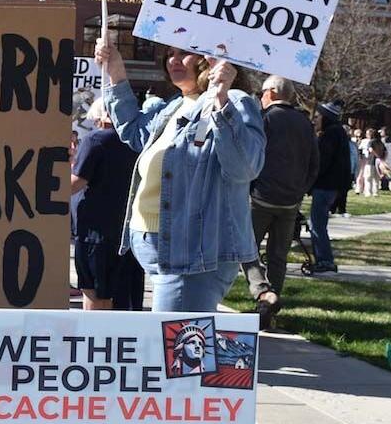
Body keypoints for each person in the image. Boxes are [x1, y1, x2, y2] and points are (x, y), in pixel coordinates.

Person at [94, 39, 264, 313]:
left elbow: (245, 167)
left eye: (184, 53)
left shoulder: (234, 101)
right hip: (164, 250)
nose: (173, 60)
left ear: (211, 59)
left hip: (193, 256)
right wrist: (115, 69)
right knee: (173, 346)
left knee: (174, 350)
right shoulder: (177, 104)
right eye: (169, 54)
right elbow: (136, 133)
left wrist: (221, 99)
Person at [239, 76, 319, 329]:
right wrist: (300, 190)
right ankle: (268, 314)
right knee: (278, 256)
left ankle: (262, 292)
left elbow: (252, 155)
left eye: (262, 92)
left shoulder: (265, 119)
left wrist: (250, 187)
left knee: (245, 248)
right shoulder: (306, 123)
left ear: (271, 93)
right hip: (290, 201)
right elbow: (314, 163)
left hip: (261, 197)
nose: (260, 97)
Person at [70, 99, 143, 311]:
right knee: (125, 296)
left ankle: (95, 340)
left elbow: (75, 183)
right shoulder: (138, 142)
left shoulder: (95, 140)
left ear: (101, 115)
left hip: (95, 232)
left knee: (94, 292)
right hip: (128, 231)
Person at [309, 102, 353, 273]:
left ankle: (325, 260)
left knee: (317, 224)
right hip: (333, 186)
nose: (316, 119)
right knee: (318, 223)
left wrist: (310, 179)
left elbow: (322, 162)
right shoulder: (339, 133)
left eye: (318, 116)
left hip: (325, 186)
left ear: (326, 118)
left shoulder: (330, 135)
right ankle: (323, 258)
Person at [359, 129, 382, 197]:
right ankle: (376, 192)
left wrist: (375, 155)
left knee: (368, 178)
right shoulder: (380, 142)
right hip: (378, 163)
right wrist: (381, 158)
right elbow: (386, 152)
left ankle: (368, 192)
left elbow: (370, 150)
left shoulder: (370, 142)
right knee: (376, 179)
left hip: (370, 161)